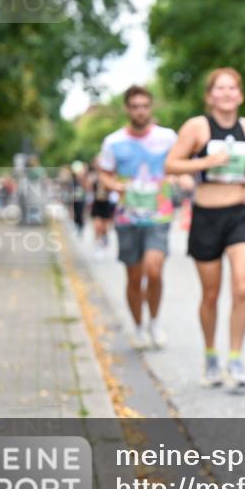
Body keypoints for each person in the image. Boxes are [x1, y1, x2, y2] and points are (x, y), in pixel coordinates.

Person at [164, 68, 245, 389]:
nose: (226, 93)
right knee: (211, 294)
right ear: (210, 96)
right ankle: (211, 355)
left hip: (241, 215)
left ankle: (235, 358)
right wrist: (204, 163)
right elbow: (171, 164)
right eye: (219, 89)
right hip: (207, 216)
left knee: (242, 287)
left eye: (232, 88)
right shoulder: (197, 127)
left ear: (240, 94)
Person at [97, 86, 177, 350]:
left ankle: (155, 321)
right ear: (127, 109)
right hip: (127, 218)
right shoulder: (113, 142)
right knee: (134, 277)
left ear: (151, 108)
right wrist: (114, 186)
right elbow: (104, 174)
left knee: (154, 270)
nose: (140, 111)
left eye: (145, 105)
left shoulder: (167, 138)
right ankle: (139, 326)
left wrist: (181, 177)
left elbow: (179, 163)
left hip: (158, 215)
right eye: (135, 106)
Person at [88, 158, 116, 259]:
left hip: (106, 203)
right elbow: (88, 189)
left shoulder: (109, 176)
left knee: (104, 227)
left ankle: (104, 238)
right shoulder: (93, 177)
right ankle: (98, 245)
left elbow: (113, 188)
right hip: (96, 204)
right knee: (97, 226)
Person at [70, 160, 88, 235]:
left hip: (81, 200)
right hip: (75, 200)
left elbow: (86, 188)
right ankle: (77, 226)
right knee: (76, 213)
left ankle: (81, 227)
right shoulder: (73, 181)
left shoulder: (83, 180)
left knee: (81, 213)